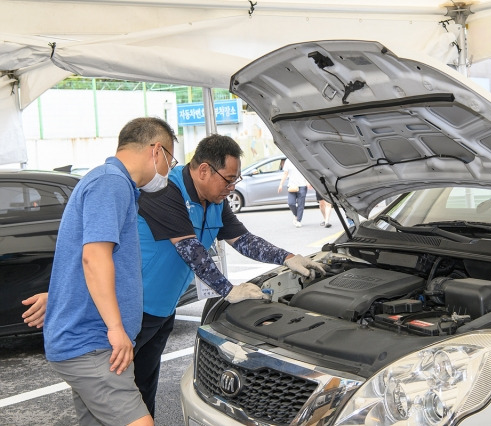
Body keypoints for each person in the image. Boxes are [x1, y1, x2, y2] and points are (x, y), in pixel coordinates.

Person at [133, 134, 326, 417]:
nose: (232, 187)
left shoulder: (215, 200)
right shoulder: (166, 190)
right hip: (134, 307)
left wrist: (287, 257)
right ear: (203, 171)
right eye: (229, 179)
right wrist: (228, 290)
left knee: (145, 381)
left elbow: (243, 240)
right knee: (119, 387)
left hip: (164, 307)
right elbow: (190, 249)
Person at [42, 117, 178, 426]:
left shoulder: (109, 182)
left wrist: (56, 297)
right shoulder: (111, 182)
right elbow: (95, 257)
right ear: (156, 151)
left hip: (86, 338)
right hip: (93, 341)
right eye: (170, 158)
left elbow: (78, 258)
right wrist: (116, 329)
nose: (169, 169)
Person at [277, 158, 309, 227]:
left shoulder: (301, 159)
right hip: (291, 186)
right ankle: (296, 215)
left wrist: (308, 182)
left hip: (302, 185)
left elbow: (306, 172)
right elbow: (285, 173)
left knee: (301, 204)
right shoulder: (288, 161)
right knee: (291, 203)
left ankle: (298, 221)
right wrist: (281, 184)